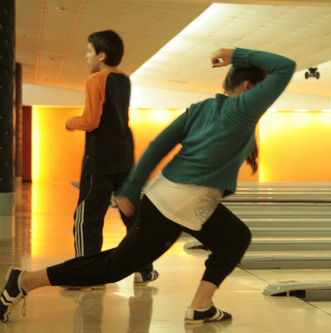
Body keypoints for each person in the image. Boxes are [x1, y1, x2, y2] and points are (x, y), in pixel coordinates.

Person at [0, 47, 296, 324]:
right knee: (114, 266)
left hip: (170, 196)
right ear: (248, 88)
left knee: (234, 237)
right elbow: (286, 66)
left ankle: (201, 306)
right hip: (182, 204)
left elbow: (157, 146)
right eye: (264, 89)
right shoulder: (245, 108)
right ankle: (25, 280)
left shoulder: (201, 109)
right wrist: (235, 54)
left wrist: (131, 189)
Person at [66, 30, 157, 284]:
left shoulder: (96, 80)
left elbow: (91, 120)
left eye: (88, 52)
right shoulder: (124, 80)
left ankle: (86, 273)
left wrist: (71, 121)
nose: (86, 57)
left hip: (100, 159)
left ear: (101, 55)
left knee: (88, 216)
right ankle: (144, 268)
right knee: (132, 214)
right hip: (124, 155)